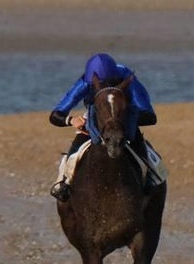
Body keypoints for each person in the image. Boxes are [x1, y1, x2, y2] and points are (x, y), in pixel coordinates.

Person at [48, 52, 164, 201]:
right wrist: (71, 120)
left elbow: (149, 116)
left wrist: (121, 119)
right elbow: (55, 115)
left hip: (124, 117)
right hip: (96, 117)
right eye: (99, 86)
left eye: (109, 83)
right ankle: (64, 181)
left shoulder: (127, 76)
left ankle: (151, 178)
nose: (105, 87)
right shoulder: (85, 82)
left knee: (139, 144)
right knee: (75, 151)